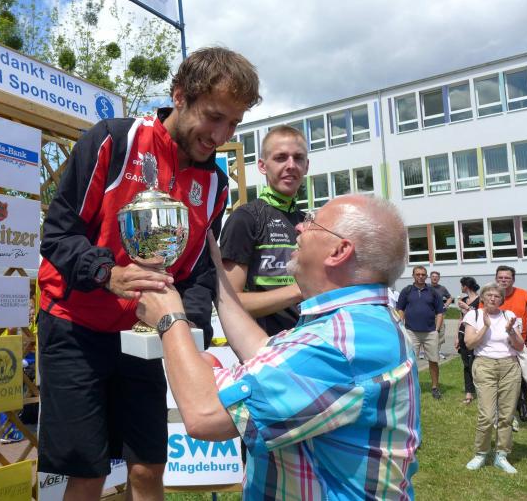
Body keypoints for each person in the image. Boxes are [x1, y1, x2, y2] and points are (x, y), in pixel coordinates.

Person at [36, 47, 261, 501]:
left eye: (234, 124)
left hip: (144, 337)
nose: (221, 135)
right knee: (87, 474)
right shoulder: (113, 140)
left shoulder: (215, 184)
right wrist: (107, 274)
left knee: (148, 467)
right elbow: (57, 236)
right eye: (214, 117)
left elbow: (197, 270)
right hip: (75, 326)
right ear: (179, 96)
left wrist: (188, 331)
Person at [135, 194, 420, 499]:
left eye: (312, 222)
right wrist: (215, 268)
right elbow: (260, 349)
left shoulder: (341, 342)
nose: (299, 227)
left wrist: (169, 318)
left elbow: (205, 414)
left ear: (339, 251)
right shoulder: (357, 324)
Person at [218, 125, 307, 336]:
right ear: (262, 166)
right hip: (265, 347)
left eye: (298, 158)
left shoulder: (309, 222)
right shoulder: (245, 219)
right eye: (280, 158)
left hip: (309, 342)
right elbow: (229, 302)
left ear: (306, 166)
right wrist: (300, 290)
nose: (291, 165)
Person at [463, 283, 524, 473]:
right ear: (482, 297)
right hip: (485, 365)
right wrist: (485, 327)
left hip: (509, 366)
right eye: (489, 295)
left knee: (507, 415)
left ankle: (501, 455)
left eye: (497, 296)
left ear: (501, 300)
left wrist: (511, 330)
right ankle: (481, 453)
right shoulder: (473, 315)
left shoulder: (509, 316)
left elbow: (520, 346)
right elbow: (469, 344)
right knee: (487, 415)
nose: (492, 298)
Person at [397, 265, 446, 399]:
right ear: (413, 275)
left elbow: (440, 312)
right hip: (411, 332)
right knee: (410, 362)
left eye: (423, 274)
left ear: (426, 276)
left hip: (430, 332)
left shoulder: (433, 292)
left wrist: (437, 329)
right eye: (418, 274)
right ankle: (410, 387)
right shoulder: (406, 291)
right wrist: (402, 325)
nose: (420, 276)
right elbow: (400, 308)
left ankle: (435, 387)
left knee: (433, 361)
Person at [494, 265, 527, 422]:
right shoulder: (491, 296)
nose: (503, 280)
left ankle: (522, 401)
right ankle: (520, 404)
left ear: (513, 280)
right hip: (498, 347)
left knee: (525, 374)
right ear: (496, 279)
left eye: (507, 278)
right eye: (500, 277)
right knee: (505, 379)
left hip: (520, 344)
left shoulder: (524, 295)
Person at [456, 276, 480, 405]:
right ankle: (469, 393)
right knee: (466, 365)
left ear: (466, 286)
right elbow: (461, 319)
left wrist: (467, 307)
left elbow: (480, 315)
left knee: (475, 364)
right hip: (462, 334)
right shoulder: (463, 300)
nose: (461, 287)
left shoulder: (480, 300)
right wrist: (456, 337)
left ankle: (481, 390)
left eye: (462, 285)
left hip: (475, 335)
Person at [430, 270, 453, 359]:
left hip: (440, 314)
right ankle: (424, 351)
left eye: (436, 277)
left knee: (440, 332)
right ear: (430, 277)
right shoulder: (426, 287)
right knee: (426, 332)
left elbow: (450, 298)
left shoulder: (442, 288)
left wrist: (446, 305)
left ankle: (438, 351)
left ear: (439, 278)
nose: (435, 278)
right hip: (428, 314)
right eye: (433, 276)